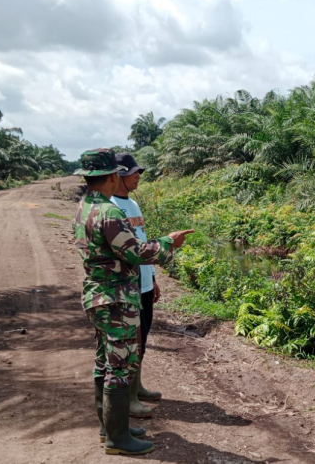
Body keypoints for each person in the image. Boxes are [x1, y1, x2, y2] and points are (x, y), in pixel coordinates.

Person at [72, 148, 193, 455]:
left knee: (105, 360)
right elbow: (136, 252)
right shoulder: (109, 213)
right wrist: (169, 242)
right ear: (113, 176)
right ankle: (118, 439)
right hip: (115, 299)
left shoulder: (85, 207)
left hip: (96, 295)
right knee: (121, 365)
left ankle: (111, 427)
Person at [110, 152, 161, 418]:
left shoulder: (133, 205)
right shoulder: (111, 207)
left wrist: (151, 277)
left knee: (144, 339)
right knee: (131, 343)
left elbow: (142, 242)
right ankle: (128, 397)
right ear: (119, 175)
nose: (138, 176)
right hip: (125, 288)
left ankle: (137, 386)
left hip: (142, 284)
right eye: (134, 172)